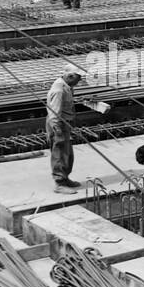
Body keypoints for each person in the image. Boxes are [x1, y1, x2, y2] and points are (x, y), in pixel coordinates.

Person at [46, 63, 85, 192]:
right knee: (59, 153)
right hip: (58, 124)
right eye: (78, 78)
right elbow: (54, 111)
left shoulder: (67, 86)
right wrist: (57, 129)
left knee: (67, 153)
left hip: (64, 123)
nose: (80, 81)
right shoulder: (59, 90)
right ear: (70, 76)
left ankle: (65, 178)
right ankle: (59, 183)